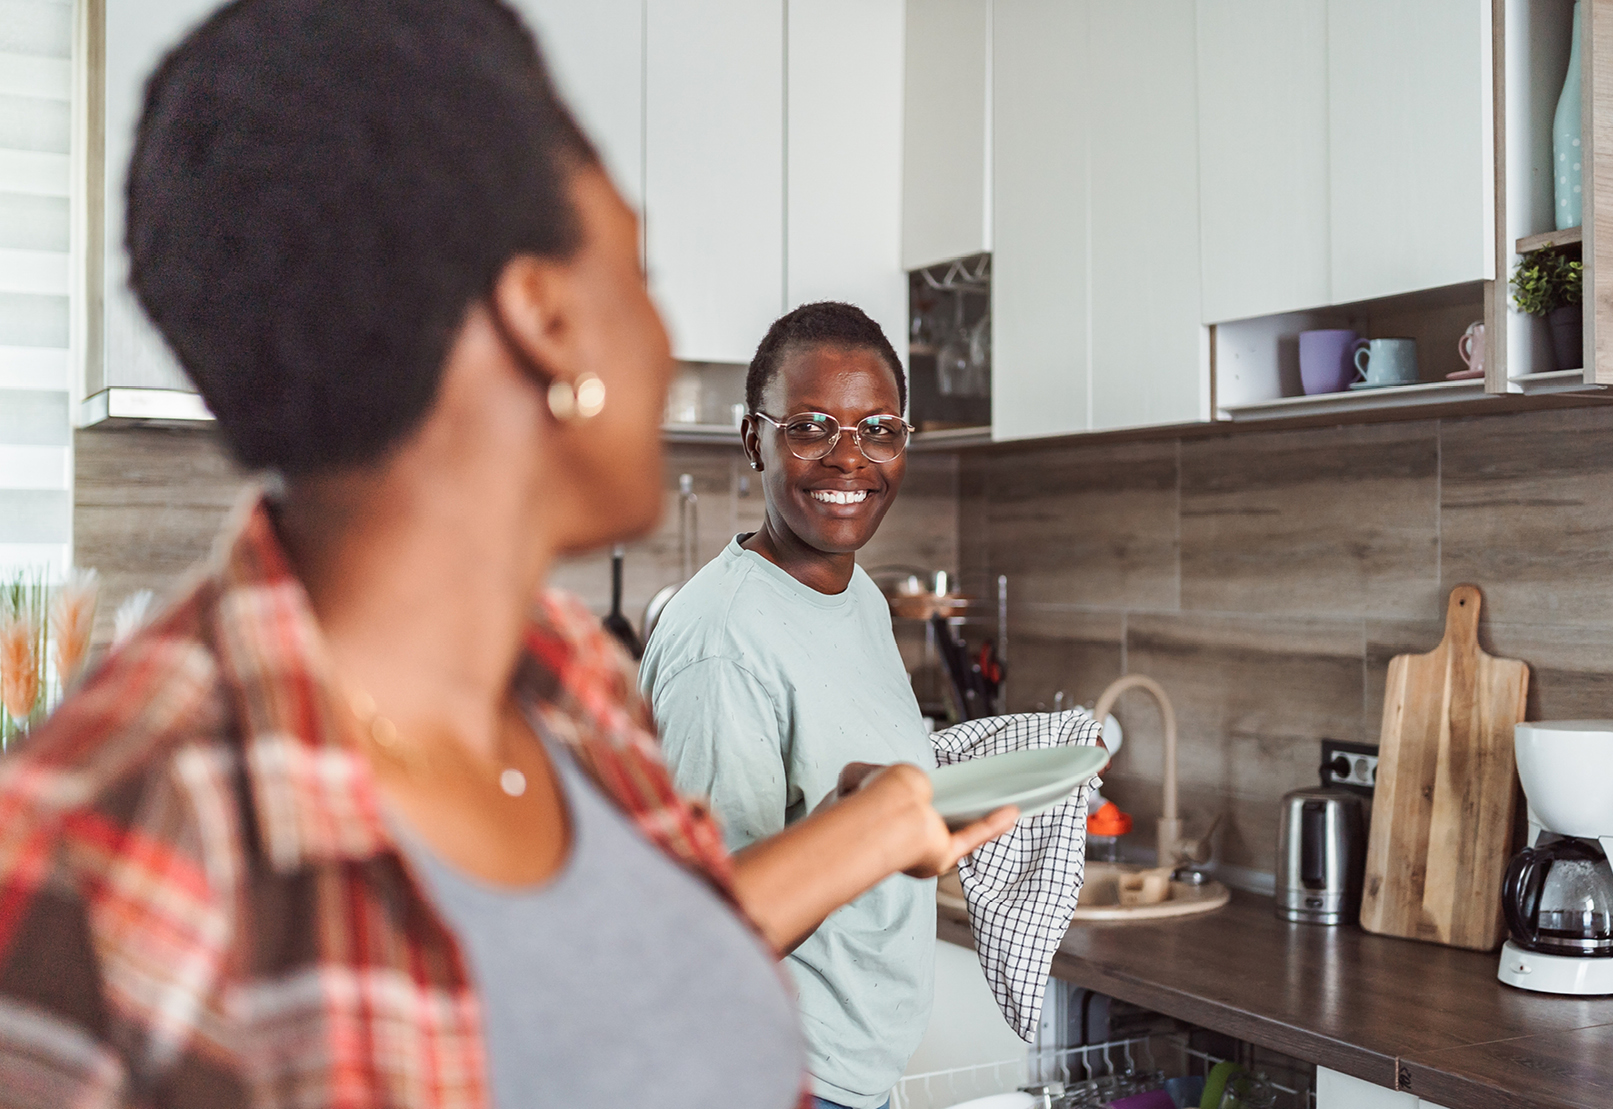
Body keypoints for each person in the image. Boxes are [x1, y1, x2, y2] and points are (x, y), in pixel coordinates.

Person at [0, 3, 1015, 1107]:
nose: (667, 340)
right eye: (639, 269)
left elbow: (672, 1026)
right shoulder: (101, 850)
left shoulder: (570, 685)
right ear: (541, 313)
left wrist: (851, 832)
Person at [641, 302, 952, 1109]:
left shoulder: (861, 600)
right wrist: (862, 831)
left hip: (858, 1078)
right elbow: (708, 931)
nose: (851, 460)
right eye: (812, 427)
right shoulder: (723, 643)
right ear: (756, 439)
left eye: (880, 429)